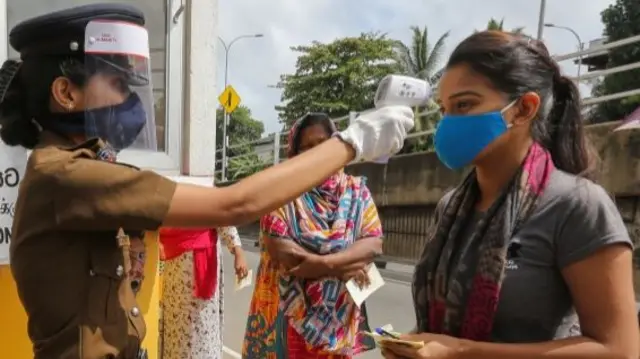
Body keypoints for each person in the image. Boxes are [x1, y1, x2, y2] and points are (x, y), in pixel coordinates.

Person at [1, 4, 413, 358]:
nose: (128, 101)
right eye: (117, 84)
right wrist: (352, 142)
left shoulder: (79, 168)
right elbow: (235, 205)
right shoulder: (67, 176)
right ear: (65, 93)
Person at [381, 31, 638, 359]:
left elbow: (619, 349)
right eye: (444, 109)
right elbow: (447, 326)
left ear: (523, 109)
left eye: (465, 104)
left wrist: (462, 352)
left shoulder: (577, 205)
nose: (447, 123)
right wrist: (417, 344)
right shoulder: (450, 208)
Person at [242, 113, 383, 359]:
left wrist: (321, 263)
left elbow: (373, 242)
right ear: (295, 154)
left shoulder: (356, 191)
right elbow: (285, 255)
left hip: (339, 324)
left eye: (323, 145)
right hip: (287, 316)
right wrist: (341, 267)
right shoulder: (280, 193)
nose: (317, 154)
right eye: (307, 147)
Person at [159, 225, 247, 359]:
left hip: (200, 261)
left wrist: (237, 249)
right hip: (179, 264)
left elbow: (220, 212)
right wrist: (237, 249)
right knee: (182, 329)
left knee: (202, 330)